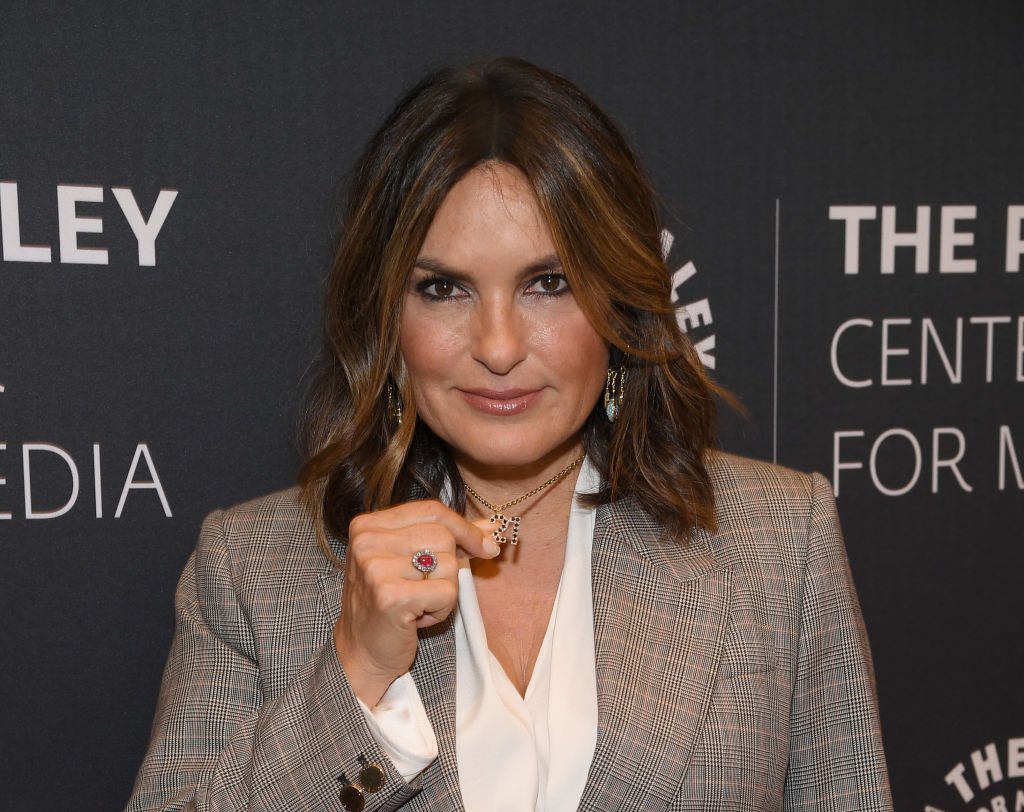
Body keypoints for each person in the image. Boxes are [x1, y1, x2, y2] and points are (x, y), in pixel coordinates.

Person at [126, 57, 893, 811]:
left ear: (620, 303)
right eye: (444, 288)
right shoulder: (253, 569)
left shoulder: (779, 541)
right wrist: (353, 673)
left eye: (547, 284)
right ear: (386, 317)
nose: (497, 346)